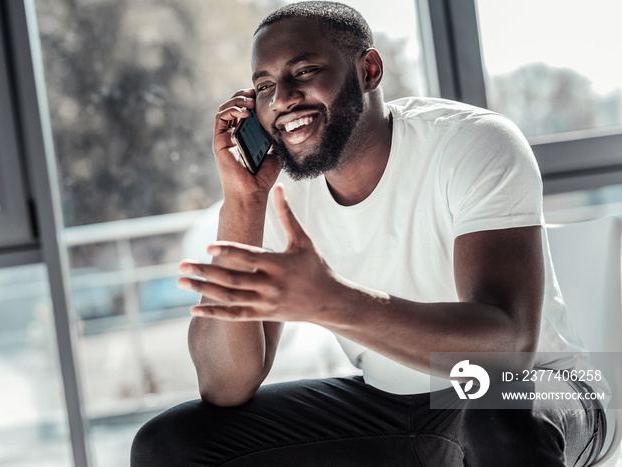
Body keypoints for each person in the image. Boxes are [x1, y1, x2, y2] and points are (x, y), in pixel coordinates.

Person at [131, 2, 608, 466]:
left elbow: (506, 352)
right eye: (264, 86)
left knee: (496, 419)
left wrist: (331, 301)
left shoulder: (473, 143)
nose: (281, 99)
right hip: (393, 409)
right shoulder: (280, 195)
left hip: (534, 387)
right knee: (170, 444)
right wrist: (243, 201)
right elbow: (223, 385)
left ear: (369, 71)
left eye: (303, 71)